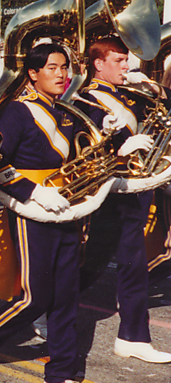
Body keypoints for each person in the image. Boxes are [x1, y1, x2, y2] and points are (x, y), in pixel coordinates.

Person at [0, 43, 102, 383]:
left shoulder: (67, 113)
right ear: (32, 74)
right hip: (30, 210)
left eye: (64, 67)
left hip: (68, 209)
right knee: (35, 296)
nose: (60, 73)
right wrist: (32, 191)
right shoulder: (16, 112)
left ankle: (59, 376)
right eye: (52, 67)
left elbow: (80, 158)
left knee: (68, 295)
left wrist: (116, 140)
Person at [76, 37, 171, 363]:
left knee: (133, 264)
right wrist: (118, 151)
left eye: (126, 60)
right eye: (119, 61)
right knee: (90, 264)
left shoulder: (126, 93)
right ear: (98, 64)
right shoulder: (85, 98)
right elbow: (80, 147)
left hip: (133, 189)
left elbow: (167, 106)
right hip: (105, 191)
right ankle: (41, 309)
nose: (126, 66)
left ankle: (132, 336)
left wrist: (152, 87)